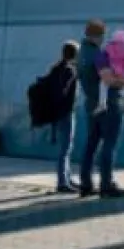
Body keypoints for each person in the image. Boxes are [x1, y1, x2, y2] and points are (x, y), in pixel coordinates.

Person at [80, 22, 124, 199]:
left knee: (91, 144)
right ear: (98, 35)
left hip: (90, 104)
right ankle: (106, 184)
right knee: (109, 144)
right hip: (109, 105)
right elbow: (108, 79)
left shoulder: (81, 53)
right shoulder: (98, 54)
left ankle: (85, 183)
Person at [40, 41, 80, 193]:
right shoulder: (69, 70)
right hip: (66, 113)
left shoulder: (56, 68)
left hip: (58, 113)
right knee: (66, 148)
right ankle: (63, 182)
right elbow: (63, 92)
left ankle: (67, 178)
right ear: (74, 54)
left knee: (65, 148)